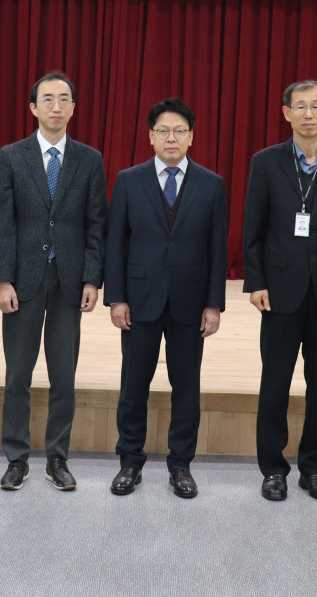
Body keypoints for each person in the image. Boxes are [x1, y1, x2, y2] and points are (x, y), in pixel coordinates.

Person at [243, 80, 317, 501]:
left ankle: (314, 470)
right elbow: (253, 229)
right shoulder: (265, 162)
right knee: (274, 383)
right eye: (300, 106)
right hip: (279, 290)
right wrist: (256, 282)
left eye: (316, 106)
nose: (308, 114)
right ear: (286, 113)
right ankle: (273, 470)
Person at [104, 98, 228, 499]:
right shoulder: (129, 180)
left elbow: (218, 249)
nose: (171, 138)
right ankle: (129, 462)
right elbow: (114, 243)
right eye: (163, 131)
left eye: (179, 131)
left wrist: (214, 304)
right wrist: (116, 298)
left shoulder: (211, 184)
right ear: (150, 136)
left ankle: (181, 466)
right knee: (133, 386)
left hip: (190, 301)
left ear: (191, 137)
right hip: (139, 300)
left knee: (186, 387)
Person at [0, 72, 107, 491]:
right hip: (22, 279)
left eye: (64, 99)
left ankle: (57, 457)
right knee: (17, 375)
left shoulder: (89, 159)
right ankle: (16, 458)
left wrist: (92, 277)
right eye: (47, 99)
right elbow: (2, 223)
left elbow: (96, 224)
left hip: (69, 280)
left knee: (63, 375)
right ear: (33, 108)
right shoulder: (12, 156)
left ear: (73, 107)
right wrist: (2, 280)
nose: (56, 106)